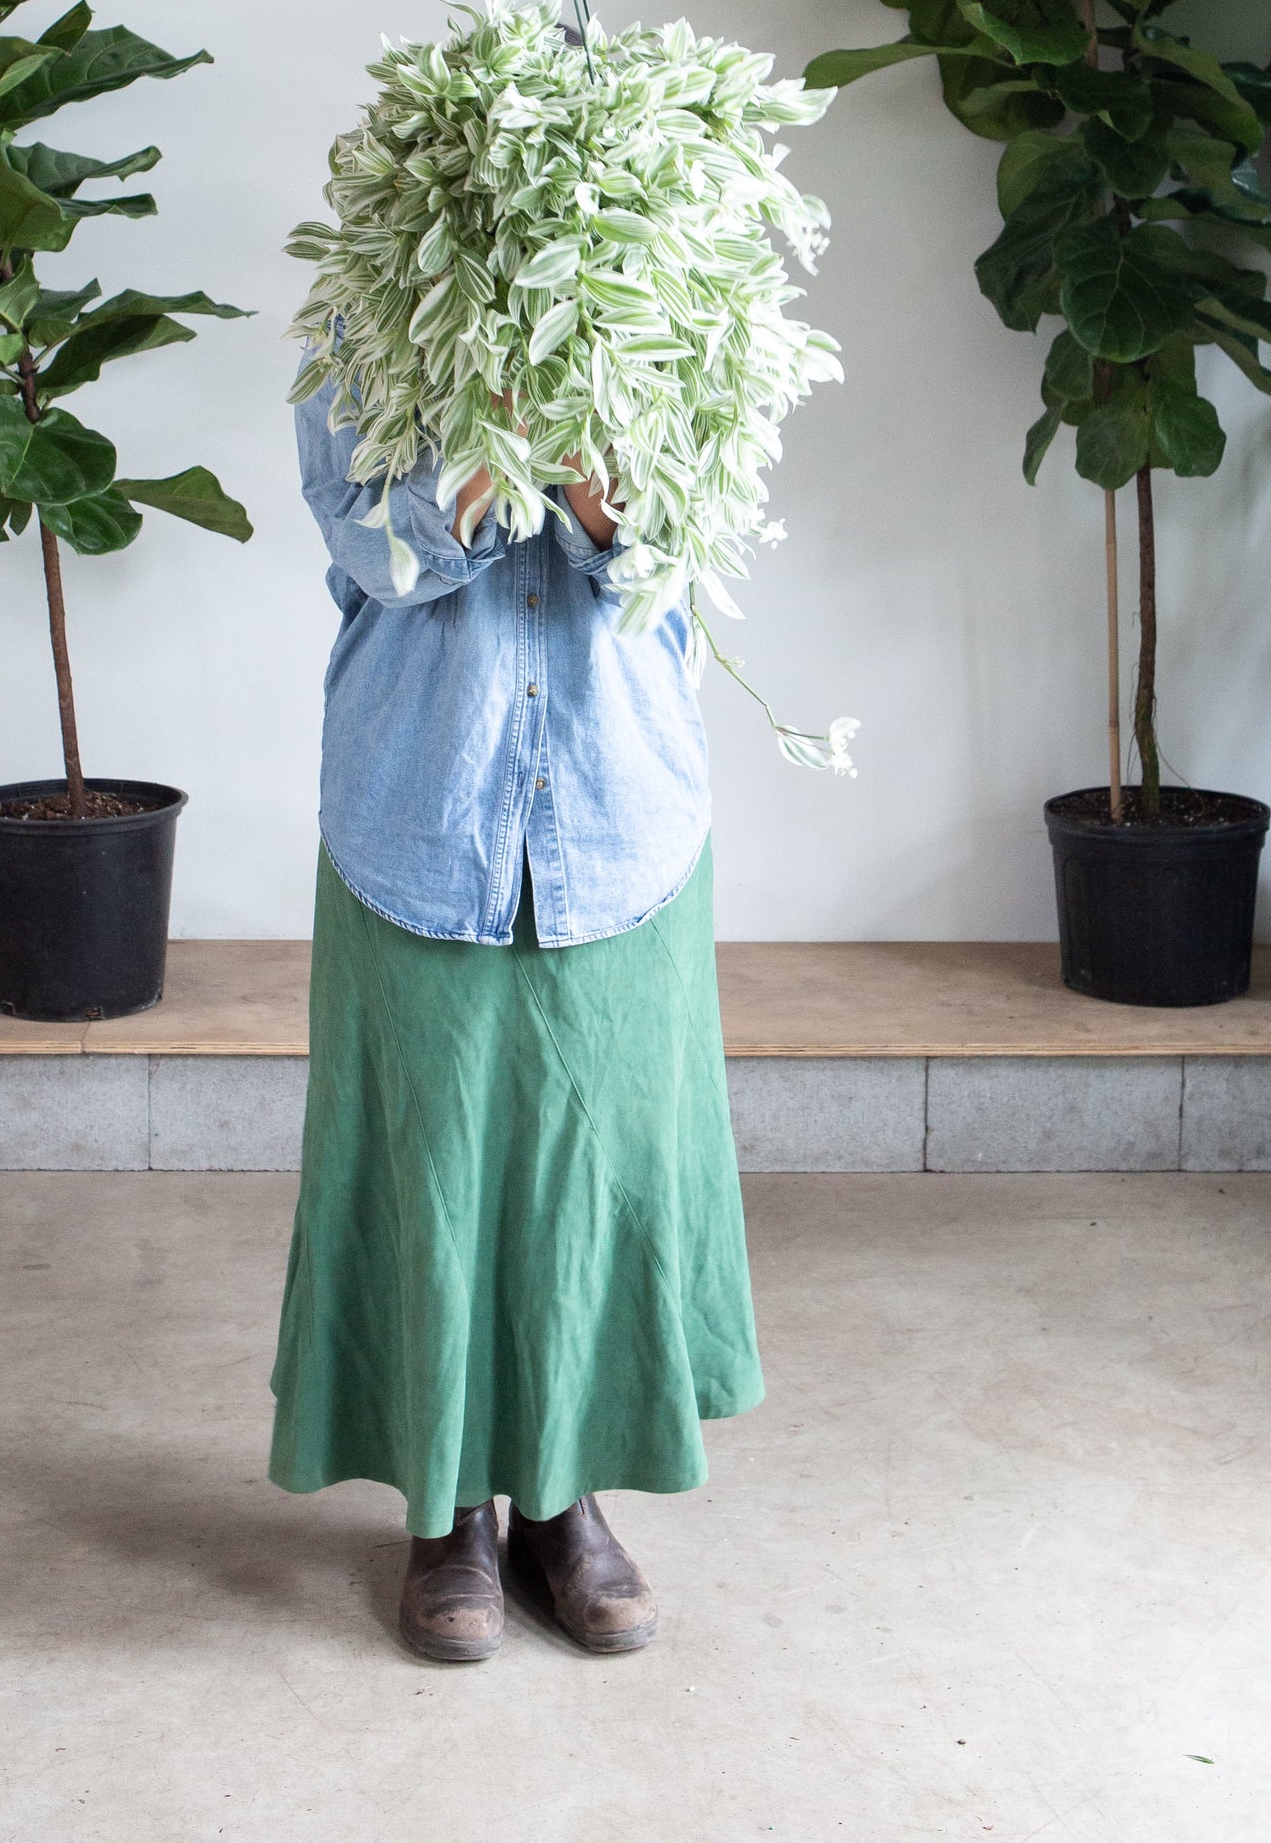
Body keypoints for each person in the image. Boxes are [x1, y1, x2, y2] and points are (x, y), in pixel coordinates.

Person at [269, 372, 763, 1661]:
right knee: (433, 1168)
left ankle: (564, 1501)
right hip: (421, 808)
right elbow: (375, 551)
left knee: (593, 1169)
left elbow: (688, 548)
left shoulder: (658, 296)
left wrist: (597, 472)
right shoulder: (364, 322)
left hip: (617, 810)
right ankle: (450, 1515)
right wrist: (497, 435)